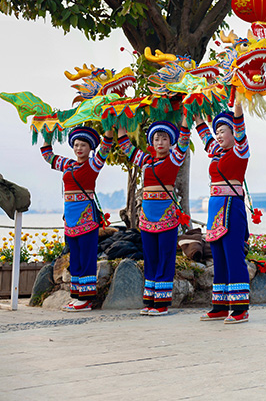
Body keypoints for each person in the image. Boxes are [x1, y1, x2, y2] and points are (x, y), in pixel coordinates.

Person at [117, 116, 190, 315]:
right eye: (156, 139)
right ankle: (149, 300)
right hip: (148, 218)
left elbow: (184, 140)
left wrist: (185, 117)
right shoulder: (146, 161)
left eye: (164, 139)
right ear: (151, 142)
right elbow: (126, 146)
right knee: (150, 257)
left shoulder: (175, 159)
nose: (160, 143)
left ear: (170, 142)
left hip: (167, 216)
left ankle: (162, 303)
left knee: (166, 257)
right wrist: (120, 121)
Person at [41, 126, 113, 311]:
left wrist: (111, 124)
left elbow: (106, 146)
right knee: (75, 259)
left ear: (90, 148)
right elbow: (48, 155)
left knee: (87, 257)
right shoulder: (68, 165)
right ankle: (76, 296)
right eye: (76, 145)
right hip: (70, 221)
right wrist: (47, 134)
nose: (79, 148)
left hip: (87, 220)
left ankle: (86, 299)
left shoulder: (93, 164)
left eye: (83, 145)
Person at [194, 101, 251, 324]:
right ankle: (219, 306)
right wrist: (195, 113)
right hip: (215, 208)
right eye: (216, 131)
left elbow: (240, 122)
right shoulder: (217, 153)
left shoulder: (240, 150)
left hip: (232, 208)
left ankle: (240, 308)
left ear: (233, 132)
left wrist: (237, 100)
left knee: (234, 256)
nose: (217, 135)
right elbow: (203, 134)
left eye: (222, 131)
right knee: (218, 255)